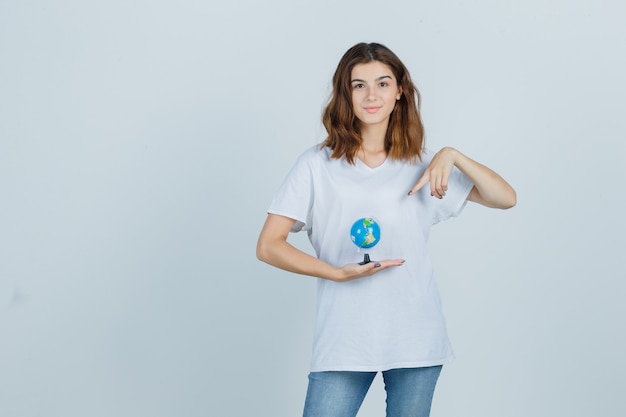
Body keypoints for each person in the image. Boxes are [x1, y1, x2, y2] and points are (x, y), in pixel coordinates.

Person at [256, 42, 516, 417]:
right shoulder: (317, 165)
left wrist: (452, 155)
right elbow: (269, 245)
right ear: (345, 94)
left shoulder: (424, 164)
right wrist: (336, 273)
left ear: (400, 92)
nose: (371, 94)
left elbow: (505, 198)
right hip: (344, 339)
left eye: (382, 83)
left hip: (415, 336)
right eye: (358, 85)